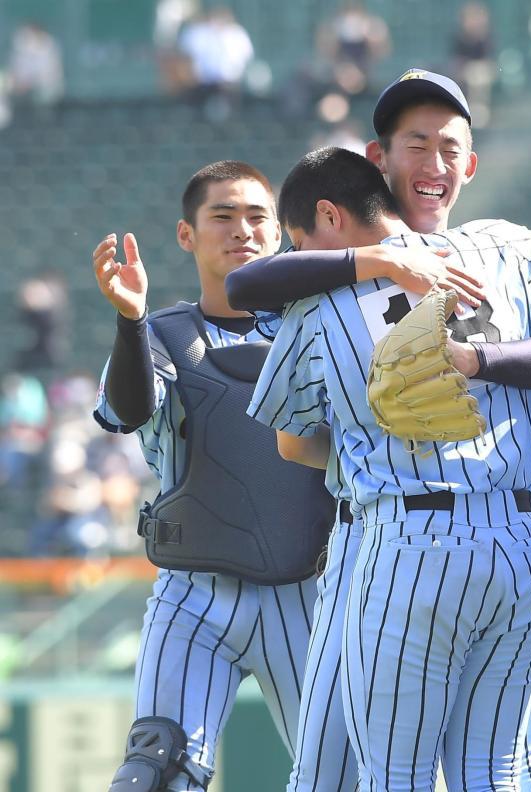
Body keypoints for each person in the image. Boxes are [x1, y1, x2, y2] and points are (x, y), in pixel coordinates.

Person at [226, 70, 531, 792]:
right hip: (510, 539)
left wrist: (468, 359)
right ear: (379, 160)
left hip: (403, 537)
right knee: (502, 773)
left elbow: (290, 433)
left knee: (389, 776)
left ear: (470, 163)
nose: (435, 163)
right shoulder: (509, 255)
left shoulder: (325, 295)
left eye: (449, 146)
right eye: (418, 144)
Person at [92, 161, 331, 791]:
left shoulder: (323, 327)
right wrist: (129, 321)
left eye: (257, 217)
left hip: (308, 591)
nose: (242, 230)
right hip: (193, 593)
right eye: (221, 217)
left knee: (350, 778)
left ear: (281, 233)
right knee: (157, 771)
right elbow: (129, 409)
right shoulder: (160, 334)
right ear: (186, 234)